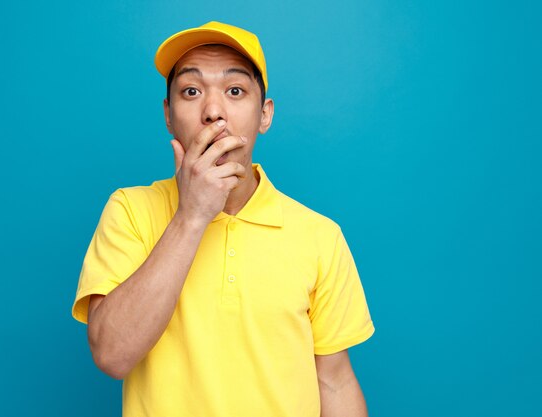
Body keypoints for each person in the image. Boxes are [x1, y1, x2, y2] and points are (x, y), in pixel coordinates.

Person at [72, 21, 375, 417]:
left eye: (235, 91)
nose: (213, 112)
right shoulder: (130, 210)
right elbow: (111, 355)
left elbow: (334, 381)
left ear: (264, 115)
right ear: (168, 114)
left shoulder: (319, 235)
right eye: (191, 91)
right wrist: (192, 215)